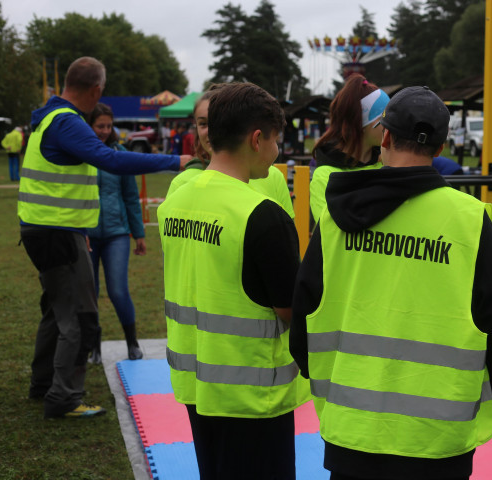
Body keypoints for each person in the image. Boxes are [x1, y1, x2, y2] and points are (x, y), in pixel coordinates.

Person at [290, 86, 492, 480]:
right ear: (440, 147)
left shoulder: (334, 216)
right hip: (438, 442)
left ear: (384, 136)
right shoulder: (469, 221)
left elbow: (302, 321)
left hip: (351, 434)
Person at [18, 56, 191, 419]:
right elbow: (110, 159)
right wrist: (174, 161)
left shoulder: (47, 118)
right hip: (57, 233)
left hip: (44, 229)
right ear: (96, 90)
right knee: (80, 317)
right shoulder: (66, 121)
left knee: (56, 310)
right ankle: (64, 397)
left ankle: (43, 383)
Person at [157, 82, 310, 480]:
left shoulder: (175, 203)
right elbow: (293, 311)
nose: (277, 152)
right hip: (252, 395)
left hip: (196, 383)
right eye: (275, 140)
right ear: (257, 139)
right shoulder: (262, 215)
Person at [165, 86, 294, 218]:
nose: (212, 131)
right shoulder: (181, 183)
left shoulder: (272, 176)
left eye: (219, 123)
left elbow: (288, 226)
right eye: (203, 123)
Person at [86, 103, 146, 364]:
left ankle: (132, 342)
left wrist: (139, 233)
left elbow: (131, 197)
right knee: (89, 293)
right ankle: (94, 347)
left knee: (118, 291)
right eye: (99, 126)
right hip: (86, 234)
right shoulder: (79, 153)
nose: (104, 130)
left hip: (117, 233)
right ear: (89, 125)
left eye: (108, 126)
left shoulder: (119, 154)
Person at [309, 74, 389, 221]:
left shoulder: (386, 164)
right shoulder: (325, 176)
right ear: (361, 124)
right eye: (384, 118)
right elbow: (329, 229)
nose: (390, 125)